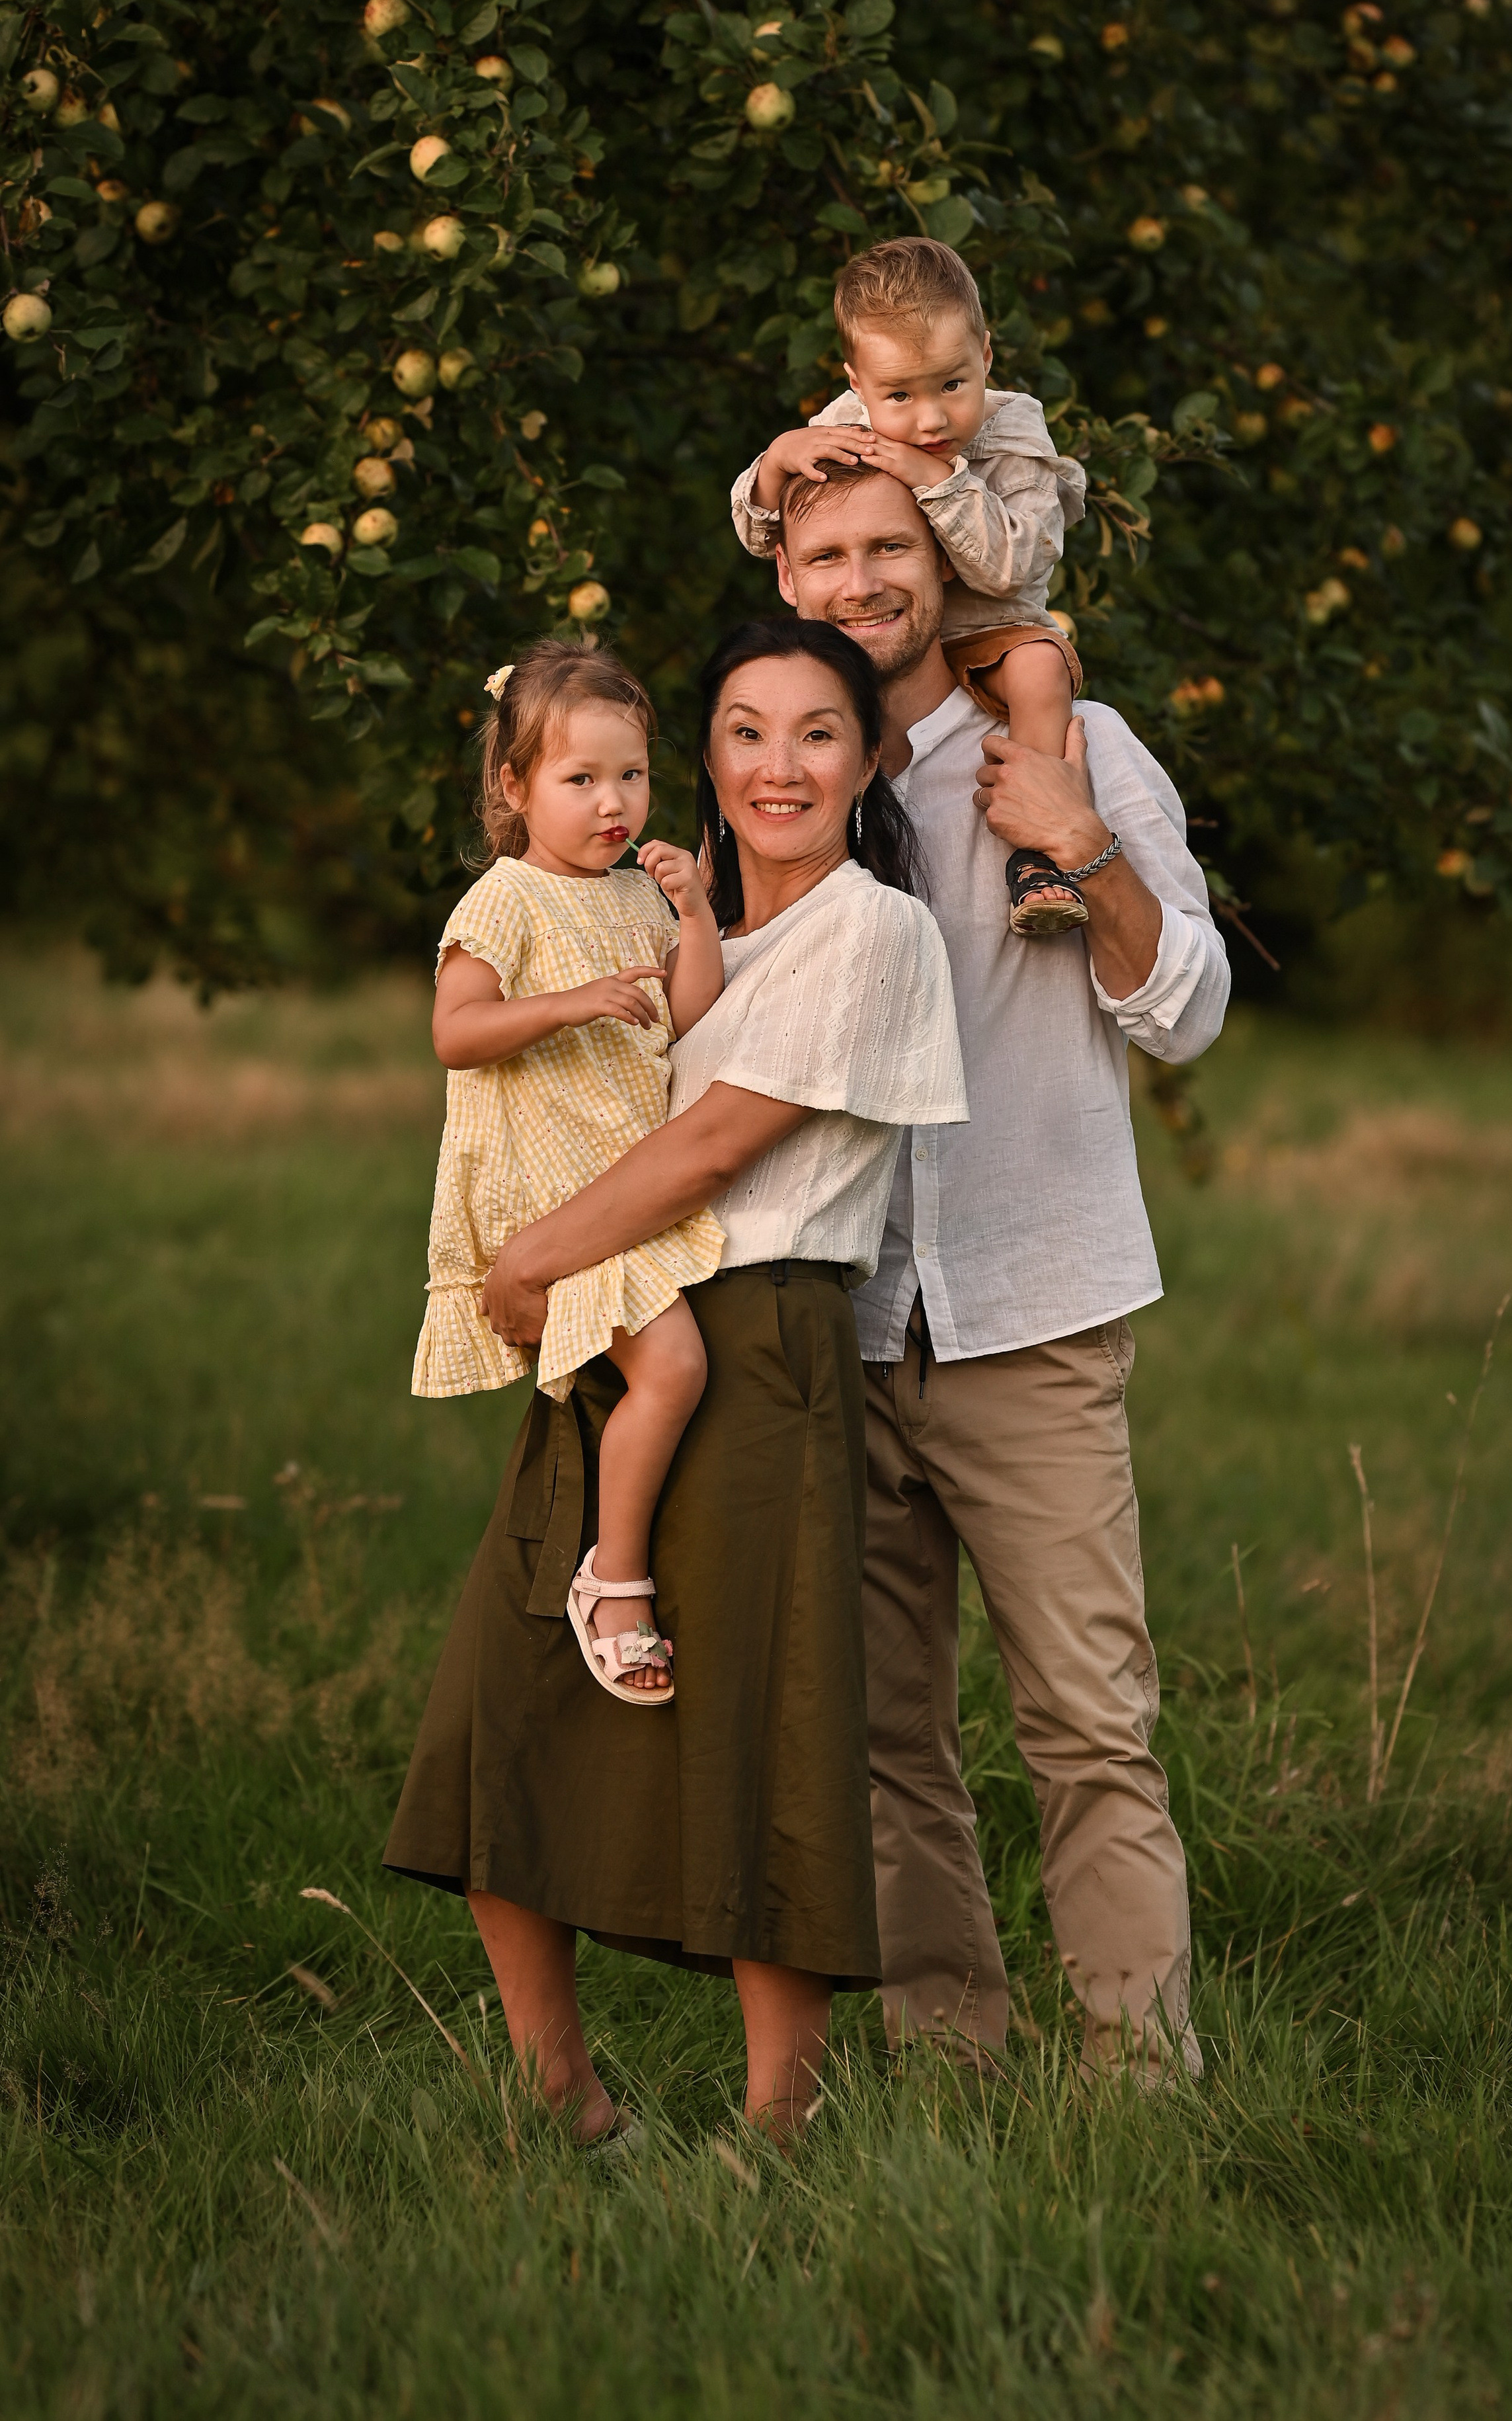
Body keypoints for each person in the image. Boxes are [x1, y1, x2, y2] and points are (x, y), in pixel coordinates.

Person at [385, 615, 968, 2141]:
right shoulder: (639, 920)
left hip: (757, 1342)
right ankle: (562, 2100)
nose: (779, 764)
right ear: (708, 760)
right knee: (500, 1714)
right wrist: (547, 1269)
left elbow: (714, 1143)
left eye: (818, 732)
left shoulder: (873, 931)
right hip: (620, 1318)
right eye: (748, 732)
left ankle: (781, 2125)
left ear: (864, 759)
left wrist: (520, 1266)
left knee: (761, 1738)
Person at [770, 456, 1231, 2085]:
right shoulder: (779, 771)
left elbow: (1185, 1006)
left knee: (1090, 1727)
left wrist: (1077, 848)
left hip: (1030, 1309)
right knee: (887, 1737)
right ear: (786, 580)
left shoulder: (1075, 748)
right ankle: (948, 2067)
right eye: (822, 553)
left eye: (886, 546)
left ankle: (1138, 2087)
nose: (856, 581)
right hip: (834, 1317)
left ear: (945, 563)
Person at [411, 639, 725, 1703]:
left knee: (679, 1372)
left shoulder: (637, 894)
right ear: (514, 787)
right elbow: (456, 1032)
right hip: (551, 1192)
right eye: (580, 779)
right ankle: (614, 1577)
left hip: (624, 1180)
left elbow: (696, 1016)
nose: (613, 803)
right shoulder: (507, 897)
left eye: (631, 776)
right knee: (675, 1368)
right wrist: (573, 1001)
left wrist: (696, 918)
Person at [731, 235, 1090, 938]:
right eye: (899, 394)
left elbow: (1014, 568)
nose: (929, 420)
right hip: (886, 643)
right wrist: (776, 464)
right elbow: (762, 534)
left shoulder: (1015, 439)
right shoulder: (844, 426)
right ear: (858, 384)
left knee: (1045, 667)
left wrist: (940, 485)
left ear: (984, 356)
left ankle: (1037, 855)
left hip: (992, 632)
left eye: (953, 385)